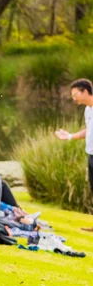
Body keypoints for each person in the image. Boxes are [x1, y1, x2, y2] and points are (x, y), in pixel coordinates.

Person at [54, 78, 93, 231]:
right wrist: (69, 136)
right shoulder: (88, 110)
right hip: (91, 155)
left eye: (75, 94)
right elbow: (88, 131)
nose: (74, 98)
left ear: (85, 91)